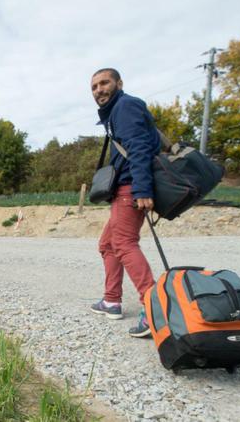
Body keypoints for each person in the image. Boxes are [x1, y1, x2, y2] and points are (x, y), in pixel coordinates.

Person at [86, 68, 162, 338]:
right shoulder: (116, 112)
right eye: (94, 86)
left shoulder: (126, 106)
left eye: (104, 83)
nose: (99, 90)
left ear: (119, 83)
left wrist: (142, 188)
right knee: (108, 244)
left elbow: (139, 147)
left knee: (123, 244)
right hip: (126, 187)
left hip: (131, 187)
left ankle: (155, 311)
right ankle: (111, 300)